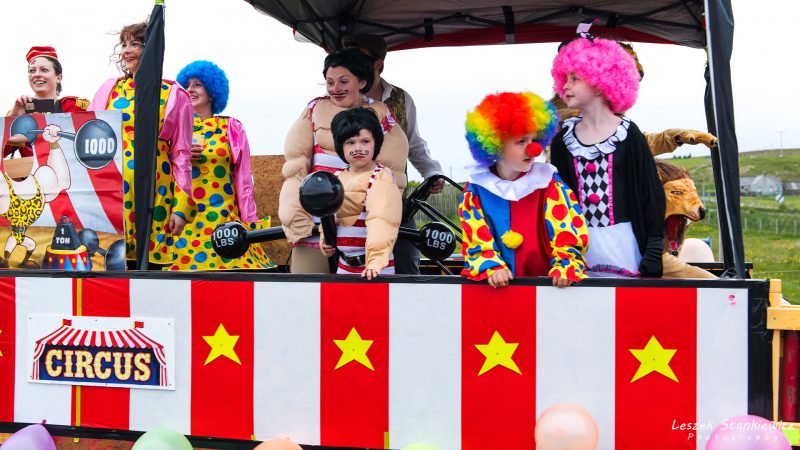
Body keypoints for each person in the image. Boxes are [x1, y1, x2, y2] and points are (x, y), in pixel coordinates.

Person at [280, 48, 408, 273]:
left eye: (343, 81)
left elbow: (392, 172)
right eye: (330, 82)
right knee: (307, 285)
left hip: (362, 229)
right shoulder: (314, 109)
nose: (335, 89)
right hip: (315, 223)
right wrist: (295, 218)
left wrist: (381, 225)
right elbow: (295, 167)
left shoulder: (381, 115)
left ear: (362, 82)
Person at [549, 30, 665, 278]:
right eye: (564, 79)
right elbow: (558, 199)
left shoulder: (628, 135)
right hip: (577, 249)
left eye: (574, 78)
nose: (565, 86)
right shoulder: (563, 140)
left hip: (624, 247)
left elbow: (651, 194)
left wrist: (654, 248)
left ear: (601, 83)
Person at [88, 21, 193, 269]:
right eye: (124, 45)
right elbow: (88, 137)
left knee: (149, 268)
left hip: (156, 193)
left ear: (152, 49)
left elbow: (181, 153)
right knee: (112, 264)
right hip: (112, 191)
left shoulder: (174, 94)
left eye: (135, 44)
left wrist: (181, 207)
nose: (127, 51)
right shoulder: (110, 89)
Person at [459, 92, 589, 289]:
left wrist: (566, 264)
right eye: (522, 141)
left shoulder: (548, 183)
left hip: (548, 288)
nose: (533, 149)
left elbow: (568, 228)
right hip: (498, 291)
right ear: (497, 145)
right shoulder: (477, 189)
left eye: (534, 140)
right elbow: (475, 236)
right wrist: (491, 265)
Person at [341, 34, 445, 274]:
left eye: (358, 56)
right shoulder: (340, 97)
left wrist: (432, 172)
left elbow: (414, 143)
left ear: (378, 64)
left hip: (395, 201)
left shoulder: (401, 98)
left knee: (407, 269)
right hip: (349, 203)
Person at [167, 60, 275, 270]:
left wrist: (249, 221)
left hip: (223, 223)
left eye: (197, 84)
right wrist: (178, 155)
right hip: (183, 222)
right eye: (186, 85)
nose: (190, 89)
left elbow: (244, 179)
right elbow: (160, 170)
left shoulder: (231, 127)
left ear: (212, 92)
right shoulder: (172, 129)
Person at [320, 108, 401, 279]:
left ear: (376, 143)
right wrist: (325, 239)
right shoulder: (336, 178)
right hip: (343, 265)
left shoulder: (380, 177)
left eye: (365, 141)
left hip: (376, 269)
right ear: (340, 146)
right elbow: (328, 216)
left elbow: (382, 220)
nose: (358, 148)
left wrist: (376, 261)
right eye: (350, 142)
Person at [9, 46, 89, 116]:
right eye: (32, 70)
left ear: (59, 78)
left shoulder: (74, 107)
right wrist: (14, 117)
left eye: (44, 70)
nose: (36, 75)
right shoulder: (19, 110)